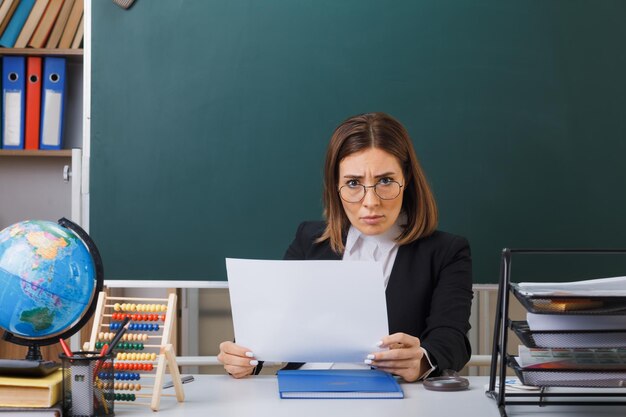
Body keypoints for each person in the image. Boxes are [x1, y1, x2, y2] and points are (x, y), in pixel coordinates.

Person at [218, 112, 473, 382]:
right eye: (353, 183)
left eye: (385, 181)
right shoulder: (309, 240)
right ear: (336, 186)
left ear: (406, 179)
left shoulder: (447, 252)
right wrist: (243, 358)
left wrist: (422, 360)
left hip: (393, 399)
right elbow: (268, 328)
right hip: (300, 392)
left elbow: (453, 339)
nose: (371, 201)